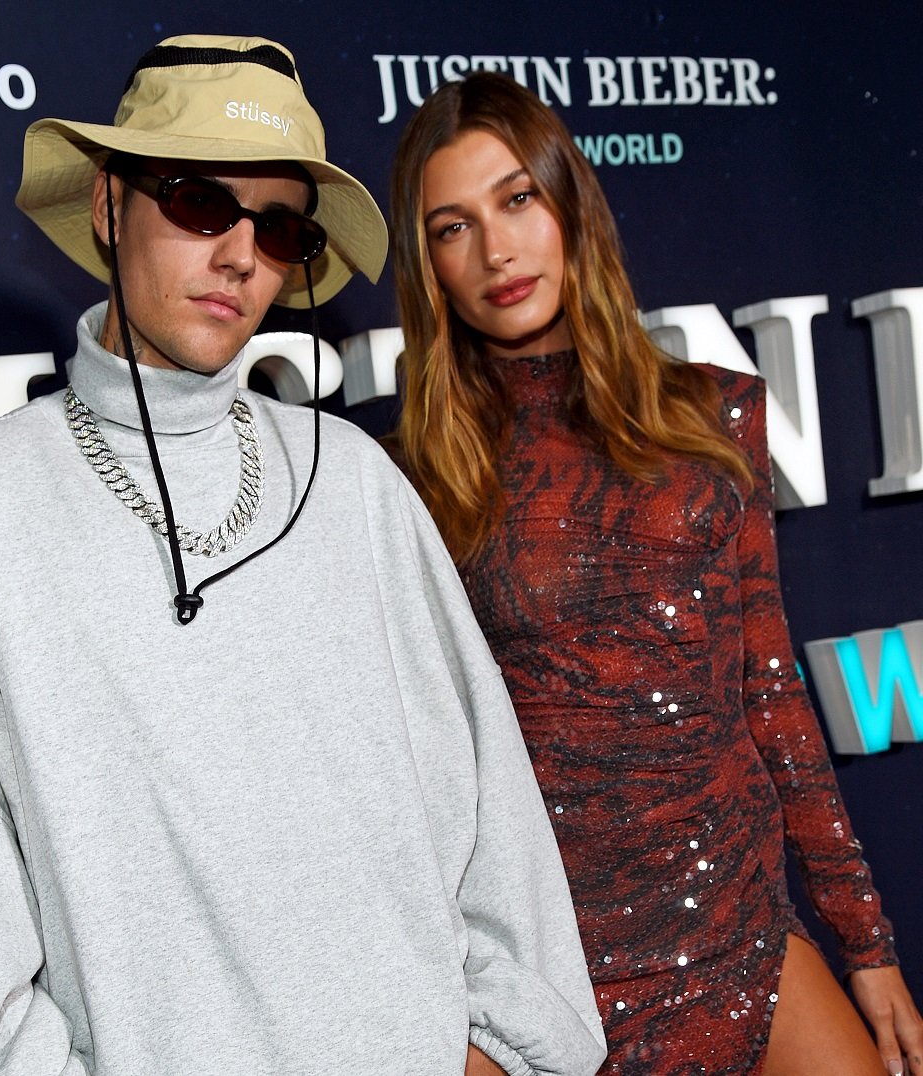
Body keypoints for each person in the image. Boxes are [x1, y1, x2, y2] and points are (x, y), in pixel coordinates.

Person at [0, 37, 606, 1076]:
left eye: (281, 224)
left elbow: (493, 816)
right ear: (110, 207)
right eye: (201, 202)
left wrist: (499, 1053)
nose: (242, 253)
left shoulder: (352, 478)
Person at [388, 71, 923, 1076]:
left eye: (517, 199)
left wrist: (868, 947)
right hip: (548, 985)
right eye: (453, 228)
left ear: (569, 208)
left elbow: (769, 695)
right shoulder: (412, 481)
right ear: (431, 269)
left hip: (742, 937)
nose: (498, 249)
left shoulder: (715, 416)